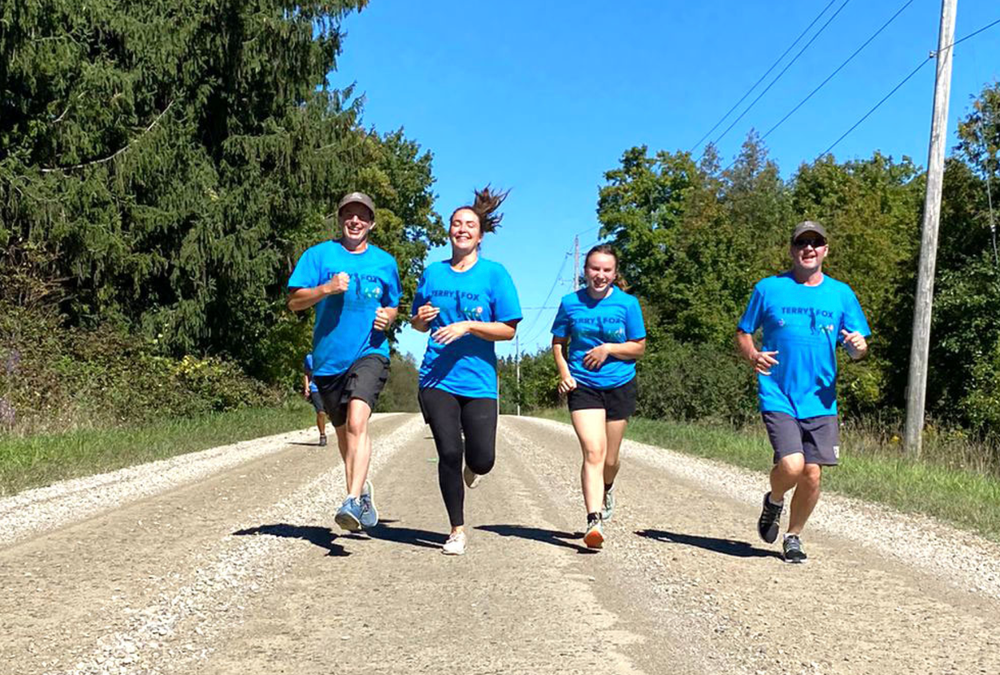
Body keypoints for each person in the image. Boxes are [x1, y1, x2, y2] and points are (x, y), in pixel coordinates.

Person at [736, 220, 869, 563]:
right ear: (792, 250)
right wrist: (753, 354)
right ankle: (775, 500)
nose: (808, 248)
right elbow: (744, 332)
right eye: (802, 243)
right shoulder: (768, 288)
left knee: (812, 472)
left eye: (816, 242)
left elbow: (858, 348)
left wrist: (856, 346)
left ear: (825, 249)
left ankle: (793, 535)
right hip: (778, 391)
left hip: (821, 399)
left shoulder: (841, 294)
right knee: (793, 465)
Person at [411, 187, 521, 556]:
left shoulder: (494, 275)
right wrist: (420, 319)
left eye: (469, 225)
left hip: (479, 380)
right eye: (456, 224)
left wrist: (470, 327)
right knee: (447, 451)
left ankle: (474, 471)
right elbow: (416, 323)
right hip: (436, 378)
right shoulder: (432, 273)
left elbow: (508, 330)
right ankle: (456, 529)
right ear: (449, 231)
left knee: (482, 460)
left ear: (480, 234)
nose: (462, 229)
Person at [287, 192, 402, 532]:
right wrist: (326, 289)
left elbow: (393, 304)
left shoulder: (385, 262)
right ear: (340, 220)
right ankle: (361, 490)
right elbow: (294, 302)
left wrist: (389, 317)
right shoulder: (319, 255)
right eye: (349, 215)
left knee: (357, 422)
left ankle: (351, 499)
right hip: (328, 361)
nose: (355, 221)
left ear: (372, 223)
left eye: (362, 216)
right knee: (343, 435)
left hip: (370, 352)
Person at [551, 245, 646, 549]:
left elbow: (638, 347)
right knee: (593, 451)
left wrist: (608, 349)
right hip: (584, 386)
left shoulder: (627, 304)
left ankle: (607, 486)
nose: (600, 275)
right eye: (594, 269)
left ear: (615, 274)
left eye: (606, 270)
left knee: (610, 459)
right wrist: (565, 374)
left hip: (619, 383)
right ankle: (594, 520)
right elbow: (558, 342)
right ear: (585, 271)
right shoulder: (570, 303)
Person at [303, 352, 327, 446]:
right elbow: (306, 373)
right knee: (320, 412)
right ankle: (322, 435)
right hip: (315, 388)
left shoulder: (327, 354)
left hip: (327, 388)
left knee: (331, 412)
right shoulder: (309, 357)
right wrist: (306, 388)